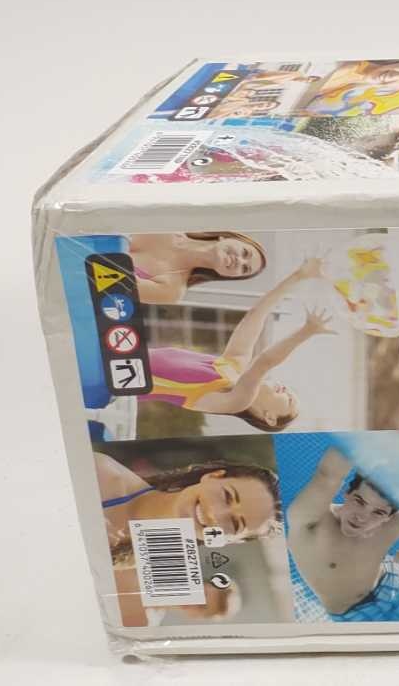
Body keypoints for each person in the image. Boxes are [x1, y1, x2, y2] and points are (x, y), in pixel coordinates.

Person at [94, 451, 281, 627]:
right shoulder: (104, 475)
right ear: (213, 476)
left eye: (234, 523)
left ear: (228, 541)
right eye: (227, 496)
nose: (215, 514)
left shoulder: (154, 564)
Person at [143, 259, 334, 429]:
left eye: (290, 400)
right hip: (133, 355)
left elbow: (264, 362)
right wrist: (298, 276)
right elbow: (257, 314)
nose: (287, 390)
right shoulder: (232, 366)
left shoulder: (237, 402)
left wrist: (305, 332)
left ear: (270, 418)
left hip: (128, 376)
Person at [286, 448, 399, 623]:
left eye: (378, 513)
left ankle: (392, 563)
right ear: (346, 492)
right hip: (355, 615)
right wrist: (377, 441)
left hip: (398, 582)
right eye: (359, 501)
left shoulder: (398, 522)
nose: (361, 517)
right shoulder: (312, 523)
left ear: (388, 517)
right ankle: (391, 561)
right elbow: (327, 475)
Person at [126, 231, 269, 305]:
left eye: (244, 269)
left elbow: (116, 286)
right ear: (228, 237)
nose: (240, 260)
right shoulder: (168, 225)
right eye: (245, 252)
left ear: (229, 276)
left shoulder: (172, 290)